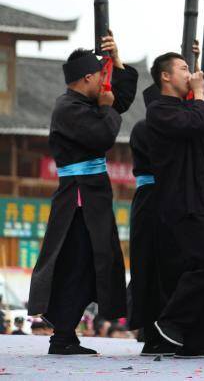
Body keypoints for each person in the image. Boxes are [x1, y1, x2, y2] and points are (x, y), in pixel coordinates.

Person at [27, 35, 139, 355]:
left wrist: (116, 62)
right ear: (88, 77)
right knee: (77, 262)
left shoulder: (86, 104)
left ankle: (65, 334)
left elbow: (120, 100)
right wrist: (106, 108)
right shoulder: (68, 108)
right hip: (79, 198)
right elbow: (103, 135)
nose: (106, 83)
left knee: (90, 264)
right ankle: (61, 335)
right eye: (102, 76)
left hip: (92, 195)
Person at [147, 52, 204, 358]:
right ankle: (169, 322)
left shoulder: (192, 108)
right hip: (182, 201)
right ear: (165, 76)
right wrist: (198, 93)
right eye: (183, 68)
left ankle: (196, 342)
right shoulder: (159, 110)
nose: (189, 73)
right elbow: (195, 124)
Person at [128, 84, 174, 356]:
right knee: (150, 264)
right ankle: (151, 329)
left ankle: (157, 330)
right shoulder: (147, 129)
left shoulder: (147, 127)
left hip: (157, 197)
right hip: (154, 197)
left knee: (156, 265)